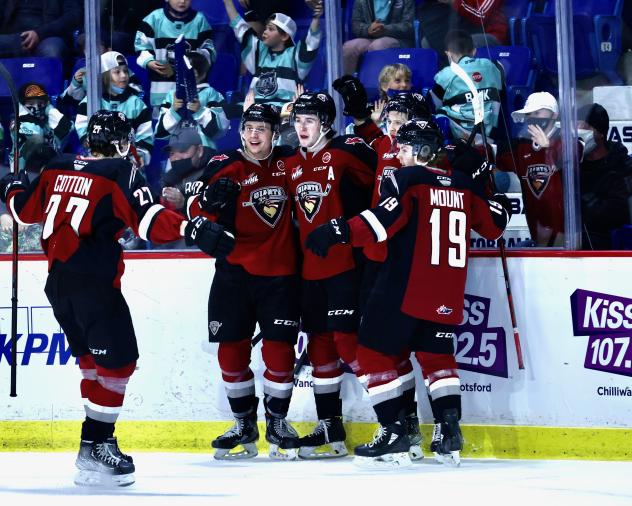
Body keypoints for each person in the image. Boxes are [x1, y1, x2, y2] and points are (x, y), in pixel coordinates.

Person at [0, 110, 235, 486]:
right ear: (123, 143)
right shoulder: (119, 172)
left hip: (58, 283)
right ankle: (94, 447)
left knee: (92, 363)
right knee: (119, 364)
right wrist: (192, 227)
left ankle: (97, 444)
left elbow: (22, 211)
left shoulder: (57, 166)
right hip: (94, 281)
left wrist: (11, 185)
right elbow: (149, 221)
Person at [304, 119, 511, 468]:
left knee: (369, 351)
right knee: (437, 359)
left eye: (404, 147)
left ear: (422, 151)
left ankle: (393, 431)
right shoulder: (462, 185)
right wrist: (494, 193)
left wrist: (335, 231)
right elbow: (494, 225)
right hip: (447, 290)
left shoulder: (408, 180)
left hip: (406, 284)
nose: (397, 153)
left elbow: (379, 222)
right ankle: (449, 432)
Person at [187, 104, 302, 460]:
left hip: (281, 275)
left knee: (279, 353)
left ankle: (278, 422)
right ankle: (243, 423)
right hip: (234, 275)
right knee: (231, 352)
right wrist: (206, 206)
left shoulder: (289, 161)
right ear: (241, 133)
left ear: (274, 134)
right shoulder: (225, 166)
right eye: (249, 128)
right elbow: (194, 210)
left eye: (262, 129)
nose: (254, 135)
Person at [284, 92, 377, 459]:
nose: (301, 127)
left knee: (349, 344)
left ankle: (395, 420)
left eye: (309, 120)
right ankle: (330, 428)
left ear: (325, 123)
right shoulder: (291, 163)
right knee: (320, 345)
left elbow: (385, 171)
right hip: (310, 271)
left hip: (346, 266)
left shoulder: (345, 152)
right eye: (297, 120)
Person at [496, 91, 571, 247]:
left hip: (567, 237)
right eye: (529, 114)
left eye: (537, 112)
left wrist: (548, 149)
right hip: (537, 235)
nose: (532, 117)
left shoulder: (569, 142)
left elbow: (572, 166)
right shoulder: (520, 147)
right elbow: (492, 155)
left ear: (554, 114)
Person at [222, 0, 323, 108]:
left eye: (271, 29)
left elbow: (311, 42)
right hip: (256, 115)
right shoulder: (259, 53)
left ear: (284, 36)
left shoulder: (294, 56)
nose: (265, 31)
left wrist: (316, 18)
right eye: (266, 28)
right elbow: (239, 27)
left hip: (284, 116)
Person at [75, 52, 154, 166]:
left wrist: (139, 157)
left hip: (127, 165)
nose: (123, 76)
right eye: (117, 72)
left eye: (125, 71)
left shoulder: (137, 104)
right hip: (97, 162)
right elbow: (84, 134)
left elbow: (146, 139)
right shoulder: (89, 102)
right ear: (104, 75)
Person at [135, 0, 217, 108]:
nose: (182, 1)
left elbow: (209, 53)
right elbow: (141, 47)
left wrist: (181, 70)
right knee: (163, 121)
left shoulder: (199, 20)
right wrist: (149, 62)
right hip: (161, 91)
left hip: (194, 92)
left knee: (192, 121)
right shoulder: (153, 18)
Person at [430, 30, 503, 143]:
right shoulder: (492, 66)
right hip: (492, 132)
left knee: (439, 113)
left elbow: (434, 104)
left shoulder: (445, 74)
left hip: (459, 136)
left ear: (448, 54)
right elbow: (501, 91)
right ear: (474, 51)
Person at [577, 103, 632, 250]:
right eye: (576, 127)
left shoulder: (621, 165)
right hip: (576, 241)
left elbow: (618, 212)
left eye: (585, 128)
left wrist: (590, 207)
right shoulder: (572, 164)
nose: (578, 132)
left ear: (601, 133)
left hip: (610, 245)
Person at [155, 50, 229, 150]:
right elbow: (160, 133)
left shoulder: (211, 94)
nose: (185, 75)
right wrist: (173, 111)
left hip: (204, 151)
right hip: (177, 151)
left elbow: (220, 130)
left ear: (203, 74)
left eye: (192, 72)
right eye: (182, 70)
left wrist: (201, 111)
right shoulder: (172, 95)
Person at [10, 83, 73, 170]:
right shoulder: (18, 121)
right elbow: (37, 138)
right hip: (22, 169)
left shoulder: (47, 116)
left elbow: (67, 127)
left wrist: (50, 110)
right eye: (31, 104)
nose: (36, 107)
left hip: (48, 168)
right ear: (22, 104)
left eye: (40, 103)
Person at [342, 0, 416, 75]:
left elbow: (408, 26)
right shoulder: (361, 1)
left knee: (378, 46)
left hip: (398, 39)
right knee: (349, 47)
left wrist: (385, 29)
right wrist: (368, 29)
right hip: (370, 37)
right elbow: (356, 26)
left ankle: (377, 84)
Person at [417, 0, 507, 59]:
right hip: (464, 30)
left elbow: (480, 16)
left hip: (489, 34)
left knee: (459, 43)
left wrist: (453, 1)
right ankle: (443, 81)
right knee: (427, 42)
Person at [0, 0, 81, 59]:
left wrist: (39, 34)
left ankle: (49, 83)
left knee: (52, 49)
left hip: (48, 36)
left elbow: (73, 16)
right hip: (14, 37)